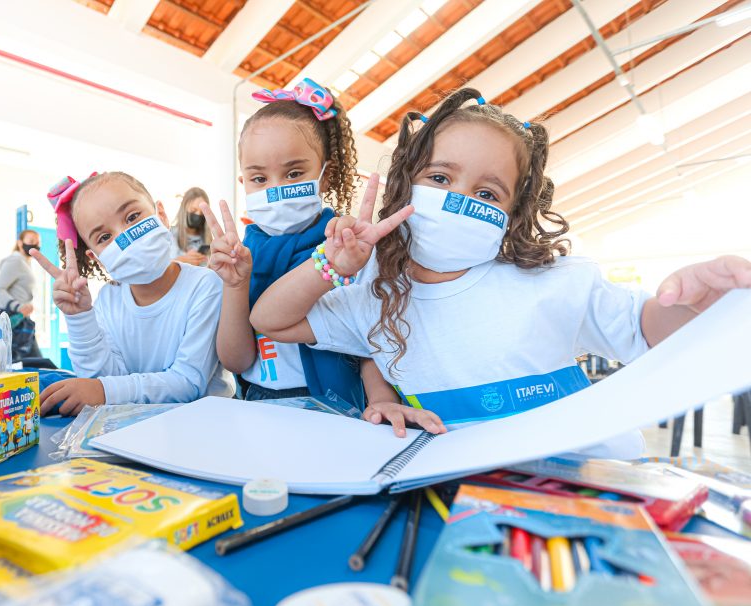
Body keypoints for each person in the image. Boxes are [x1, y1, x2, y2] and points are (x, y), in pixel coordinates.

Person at [249, 88, 751, 453]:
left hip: (592, 479)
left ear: (513, 214)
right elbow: (269, 320)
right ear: (405, 186)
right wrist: (329, 267)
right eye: (441, 177)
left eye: (487, 193)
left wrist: (700, 309)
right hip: (472, 498)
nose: (459, 200)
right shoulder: (373, 300)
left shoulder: (557, 282)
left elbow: (647, 329)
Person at [205, 78, 401, 418]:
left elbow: (368, 334)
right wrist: (235, 285)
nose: (276, 188)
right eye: (259, 179)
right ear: (244, 183)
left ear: (325, 176)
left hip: (336, 409)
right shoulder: (239, 257)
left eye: (294, 173)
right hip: (258, 406)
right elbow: (236, 361)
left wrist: (382, 401)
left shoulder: (348, 246)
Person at [31, 172, 234, 416]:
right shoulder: (107, 300)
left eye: (132, 217)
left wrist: (104, 391)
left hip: (204, 425)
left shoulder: (205, 285)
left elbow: (189, 382)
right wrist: (79, 317)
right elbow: (103, 381)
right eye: (105, 237)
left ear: (161, 215)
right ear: (98, 258)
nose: (125, 237)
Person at [0, 229, 42, 360]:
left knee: (35, 363)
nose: (35, 245)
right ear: (20, 243)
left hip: (22, 319)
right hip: (11, 318)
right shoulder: (15, 261)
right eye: (31, 241)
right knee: (29, 363)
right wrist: (18, 306)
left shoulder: (26, 263)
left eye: (37, 242)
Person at [172, 187, 211, 266]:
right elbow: (160, 268)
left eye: (202, 212)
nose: (198, 215)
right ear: (184, 209)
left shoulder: (208, 239)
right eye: (193, 210)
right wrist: (182, 260)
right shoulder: (169, 234)